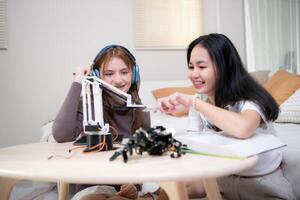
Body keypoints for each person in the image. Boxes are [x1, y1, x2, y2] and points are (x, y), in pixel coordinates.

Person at [157, 33, 296, 200]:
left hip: (261, 185)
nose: (194, 74)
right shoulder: (199, 101)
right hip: (223, 183)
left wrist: (194, 103)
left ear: (224, 67)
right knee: (168, 190)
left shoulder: (250, 99)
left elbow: (242, 128)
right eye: (191, 67)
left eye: (201, 67)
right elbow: (196, 151)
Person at [52, 45, 155, 200]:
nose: (118, 80)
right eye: (109, 74)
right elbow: (61, 134)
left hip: (127, 190)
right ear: (97, 75)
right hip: (93, 189)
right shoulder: (88, 107)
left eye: (124, 72)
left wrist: (134, 186)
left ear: (134, 74)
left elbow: (141, 161)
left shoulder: (140, 113)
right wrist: (78, 81)